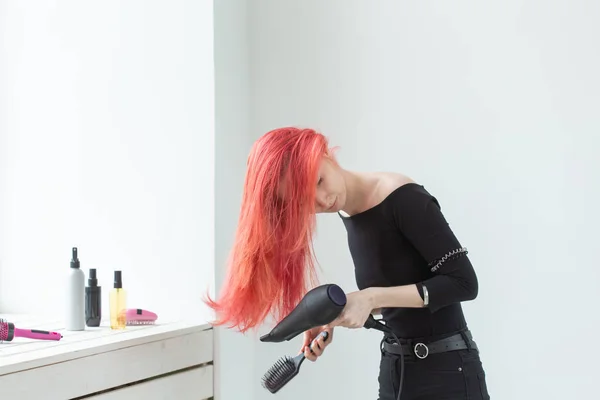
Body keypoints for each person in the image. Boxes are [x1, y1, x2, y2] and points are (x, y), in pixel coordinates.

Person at [205, 127, 490, 399]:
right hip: (396, 370)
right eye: (304, 201)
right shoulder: (350, 213)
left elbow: (464, 283)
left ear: (325, 153)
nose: (323, 199)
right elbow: (401, 293)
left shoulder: (403, 197)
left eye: (318, 181)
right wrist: (335, 316)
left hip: (449, 372)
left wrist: (370, 297)